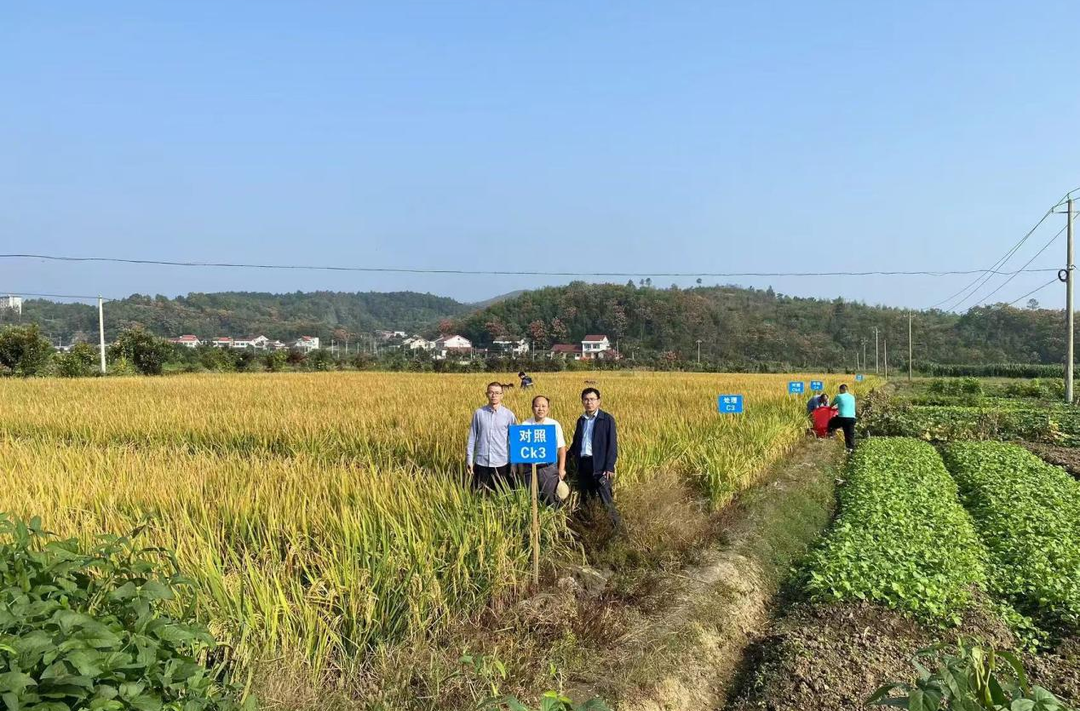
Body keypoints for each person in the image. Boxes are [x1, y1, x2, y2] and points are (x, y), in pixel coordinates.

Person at [569, 387, 622, 530]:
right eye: (586, 399)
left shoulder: (606, 419)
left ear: (598, 401)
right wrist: (564, 459)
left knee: (607, 501)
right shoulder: (581, 420)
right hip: (584, 465)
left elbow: (612, 445)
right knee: (587, 500)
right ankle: (591, 531)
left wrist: (609, 466)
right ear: (582, 402)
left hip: (600, 466)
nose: (589, 402)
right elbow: (575, 444)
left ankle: (617, 532)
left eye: (592, 399)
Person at [466, 382, 518, 491]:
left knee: (502, 495)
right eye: (491, 392)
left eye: (497, 393)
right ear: (486, 394)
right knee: (479, 495)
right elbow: (472, 438)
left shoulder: (509, 415)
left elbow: (514, 441)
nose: (494, 395)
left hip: (502, 462)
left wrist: (514, 464)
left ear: (502, 395)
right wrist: (469, 459)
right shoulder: (479, 413)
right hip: (481, 461)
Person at [520, 395, 569, 506]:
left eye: (543, 406)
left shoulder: (554, 424)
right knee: (531, 498)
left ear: (548, 408)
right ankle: (535, 522)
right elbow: (520, 449)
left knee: (551, 499)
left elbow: (561, 448)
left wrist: (561, 469)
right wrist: (520, 470)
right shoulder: (525, 425)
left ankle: (553, 521)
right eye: (537, 406)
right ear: (532, 408)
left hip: (548, 468)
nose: (540, 409)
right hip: (530, 468)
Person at [827, 384, 857, 452]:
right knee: (849, 433)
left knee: (831, 422)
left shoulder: (839, 396)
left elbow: (831, 405)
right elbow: (846, 405)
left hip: (842, 418)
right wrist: (839, 407)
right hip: (852, 418)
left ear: (841, 389)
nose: (839, 391)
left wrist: (830, 408)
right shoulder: (852, 397)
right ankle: (851, 448)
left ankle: (830, 435)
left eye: (839, 390)